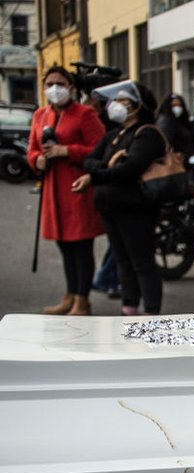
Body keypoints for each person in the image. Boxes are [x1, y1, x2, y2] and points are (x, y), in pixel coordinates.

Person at [73, 81, 167, 315]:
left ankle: (152, 316)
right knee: (123, 262)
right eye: (116, 101)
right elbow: (90, 161)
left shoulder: (147, 134)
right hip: (110, 206)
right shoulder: (113, 134)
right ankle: (129, 311)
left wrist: (95, 177)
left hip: (136, 209)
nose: (116, 105)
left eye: (124, 101)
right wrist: (108, 164)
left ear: (138, 106)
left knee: (142, 262)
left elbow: (129, 170)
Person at [27, 66, 106, 315]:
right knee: (64, 246)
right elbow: (32, 149)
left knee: (81, 246)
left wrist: (67, 151)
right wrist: (37, 160)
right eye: (49, 83)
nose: (54, 88)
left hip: (77, 188)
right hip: (52, 190)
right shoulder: (40, 115)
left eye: (59, 83)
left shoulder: (85, 114)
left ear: (71, 87)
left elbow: (100, 149)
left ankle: (82, 299)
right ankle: (70, 294)